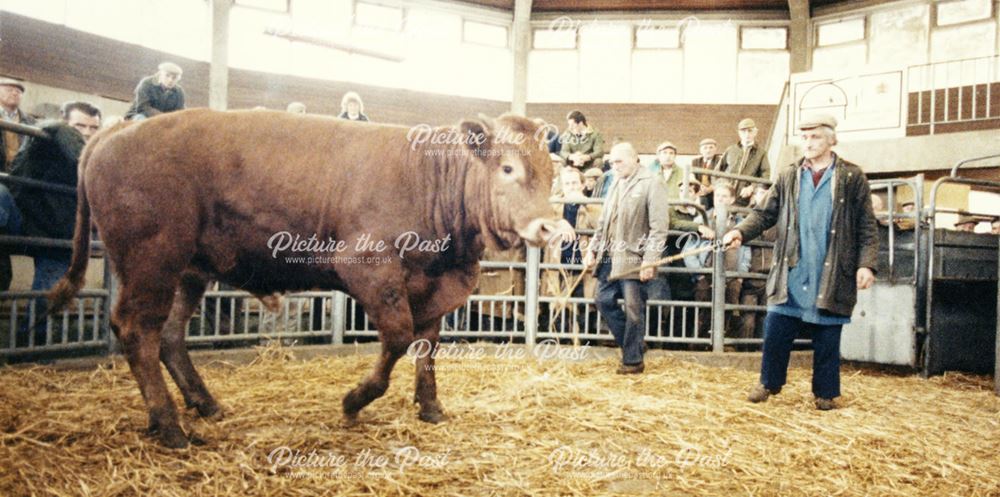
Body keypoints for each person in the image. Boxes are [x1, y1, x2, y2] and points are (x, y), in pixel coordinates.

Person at [722, 114, 878, 411]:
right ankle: (769, 382)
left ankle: (826, 392)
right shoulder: (790, 174)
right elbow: (765, 212)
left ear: (832, 139)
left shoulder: (851, 177)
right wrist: (740, 231)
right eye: (804, 137)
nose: (808, 143)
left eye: (815, 137)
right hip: (794, 266)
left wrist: (866, 264)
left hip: (830, 267)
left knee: (827, 332)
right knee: (778, 325)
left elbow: (867, 226)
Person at [4, 101, 101, 344]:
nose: (86, 132)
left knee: (48, 296)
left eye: (93, 127)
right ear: (65, 120)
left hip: (59, 235)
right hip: (24, 219)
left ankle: (29, 351)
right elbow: (58, 131)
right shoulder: (53, 133)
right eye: (80, 125)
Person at [583, 142, 670, 374]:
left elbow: (659, 228)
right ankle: (635, 345)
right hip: (609, 256)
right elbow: (603, 223)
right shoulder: (615, 184)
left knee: (633, 307)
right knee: (602, 300)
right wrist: (593, 247)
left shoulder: (652, 183)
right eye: (612, 162)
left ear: (635, 159)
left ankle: (632, 360)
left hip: (634, 257)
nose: (614, 165)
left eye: (618, 161)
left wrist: (650, 260)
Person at [718, 118, 770, 206]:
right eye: (743, 131)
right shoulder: (731, 150)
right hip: (725, 197)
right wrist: (722, 186)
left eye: (750, 131)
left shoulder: (761, 153)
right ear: (739, 133)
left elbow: (765, 176)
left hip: (744, 197)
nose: (747, 134)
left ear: (755, 132)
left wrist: (752, 187)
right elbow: (717, 172)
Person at [0, 78, 35, 173]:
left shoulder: (31, 122)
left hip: (20, 173)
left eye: (18, 92)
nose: (14, 93)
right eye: (9, 90)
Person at [691, 138, 723, 210]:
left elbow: (721, 178)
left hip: (715, 191)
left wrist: (710, 188)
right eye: (705, 148)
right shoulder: (695, 161)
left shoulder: (720, 161)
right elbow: (692, 176)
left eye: (711, 147)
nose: (708, 150)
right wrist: (699, 187)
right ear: (700, 150)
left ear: (715, 149)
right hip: (700, 191)